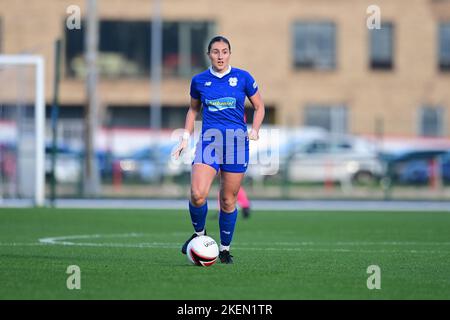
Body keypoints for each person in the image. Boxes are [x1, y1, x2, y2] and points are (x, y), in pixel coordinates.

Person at [172, 35, 265, 264]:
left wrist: (255, 129)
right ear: (209, 54)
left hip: (236, 144)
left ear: (229, 54)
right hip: (208, 142)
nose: (220, 56)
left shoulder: (243, 77)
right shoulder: (199, 80)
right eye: (216, 52)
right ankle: (200, 235)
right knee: (197, 194)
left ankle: (224, 250)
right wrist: (185, 137)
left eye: (224, 51)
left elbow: (260, 106)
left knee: (227, 201)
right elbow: (193, 111)